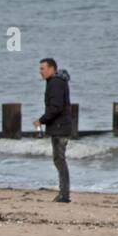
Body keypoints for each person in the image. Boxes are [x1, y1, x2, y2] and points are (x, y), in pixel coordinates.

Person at [32, 58, 72, 203]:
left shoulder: (55, 83)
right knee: (59, 160)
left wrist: (41, 120)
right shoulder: (57, 82)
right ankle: (64, 193)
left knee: (59, 160)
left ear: (51, 69)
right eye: (40, 68)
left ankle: (64, 194)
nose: (40, 71)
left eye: (43, 68)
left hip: (60, 127)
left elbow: (56, 107)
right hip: (61, 126)